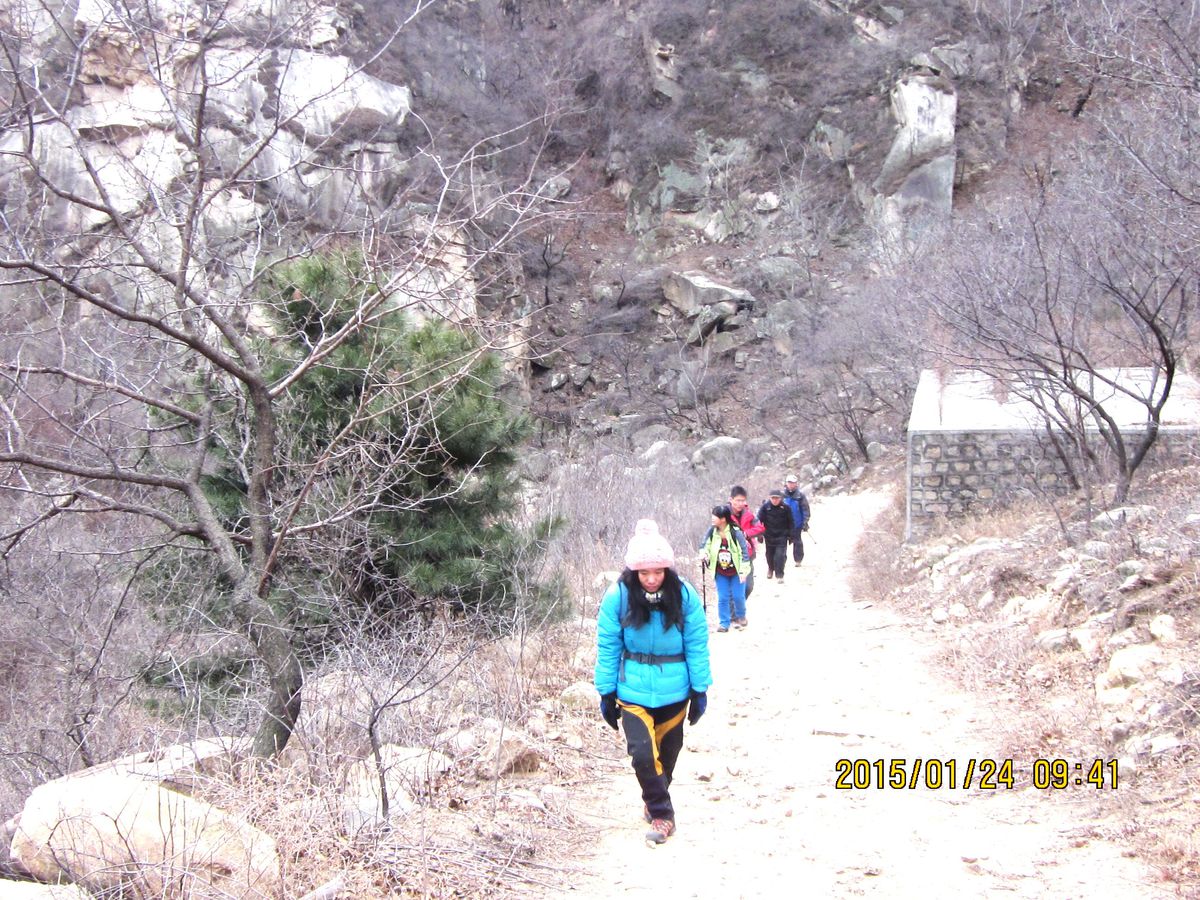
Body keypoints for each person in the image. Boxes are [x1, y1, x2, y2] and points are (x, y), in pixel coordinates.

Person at [595, 519, 712, 844]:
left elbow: (697, 642)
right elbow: (608, 645)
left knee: (668, 754)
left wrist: (700, 688)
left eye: (658, 572)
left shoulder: (683, 594)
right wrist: (606, 691)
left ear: (666, 570)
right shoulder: (618, 596)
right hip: (632, 689)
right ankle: (663, 814)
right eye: (644, 573)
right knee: (643, 754)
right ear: (633, 572)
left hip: (675, 690)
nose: (650, 579)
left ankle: (654, 795)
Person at [699, 504, 751, 632]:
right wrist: (704, 553)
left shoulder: (735, 532)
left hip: (737, 571)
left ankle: (741, 616)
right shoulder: (712, 531)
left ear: (723, 519)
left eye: (715, 516)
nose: (712, 518)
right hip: (720, 571)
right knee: (723, 598)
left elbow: (744, 552)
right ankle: (724, 623)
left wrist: (744, 571)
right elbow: (705, 545)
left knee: (738, 596)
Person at [729, 485, 764, 600]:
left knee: (748, 587)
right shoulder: (724, 514)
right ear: (731, 500)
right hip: (730, 555)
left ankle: (738, 604)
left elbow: (760, 528)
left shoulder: (749, 514)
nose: (740, 503)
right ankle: (734, 609)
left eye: (743, 500)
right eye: (738, 500)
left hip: (747, 555)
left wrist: (745, 534)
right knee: (733, 587)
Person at [756, 489, 795, 582]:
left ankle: (780, 575)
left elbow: (791, 522)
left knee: (780, 556)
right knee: (769, 555)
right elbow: (758, 521)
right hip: (769, 535)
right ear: (770, 498)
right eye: (773, 498)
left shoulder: (786, 508)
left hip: (782, 536)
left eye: (777, 498)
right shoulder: (765, 507)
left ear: (780, 498)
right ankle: (770, 568)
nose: (775, 500)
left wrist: (791, 535)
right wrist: (759, 534)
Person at [782, 474, 811, 567]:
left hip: (797, 524)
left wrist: (805, 522)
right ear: (786, 483)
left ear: (796, 484)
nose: (791, 484)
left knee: (797, 542)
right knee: (782, 543)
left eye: (793, 483)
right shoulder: (781, 495)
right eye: (789, 482)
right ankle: (781, 561)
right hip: (784, 524)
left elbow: (805, 510)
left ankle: (798, 560)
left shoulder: (800, 496)